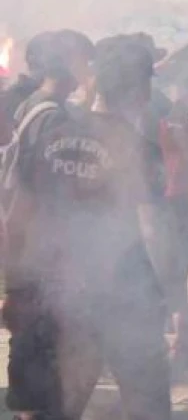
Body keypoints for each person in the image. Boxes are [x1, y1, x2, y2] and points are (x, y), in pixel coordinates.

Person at [6, 35, 172, 420]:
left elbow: (18, 214)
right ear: (140, 89)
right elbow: (151, 231)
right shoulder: (135, 146)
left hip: (56, 291)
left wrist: (15, 289)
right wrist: (171, 304)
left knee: (62, 405)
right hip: (121, 294)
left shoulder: (51, 131)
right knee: (147, 404)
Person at [1, 30, 94, 419]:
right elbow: (23, 200)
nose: (89, 69)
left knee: (45, 382)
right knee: (47, 387)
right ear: (69, 63)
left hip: (44, 268)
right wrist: (15, 282)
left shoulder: (40, 108)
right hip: (42, 271)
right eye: (84, 61)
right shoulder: (48, 118)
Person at [158, 72, 188, 357]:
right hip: (173, 193)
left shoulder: (184, 114)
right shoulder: (175, 114)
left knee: (185, 255)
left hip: (183, 193)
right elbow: (185, 152)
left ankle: (180, 321)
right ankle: (175, 324)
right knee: (177, 258)